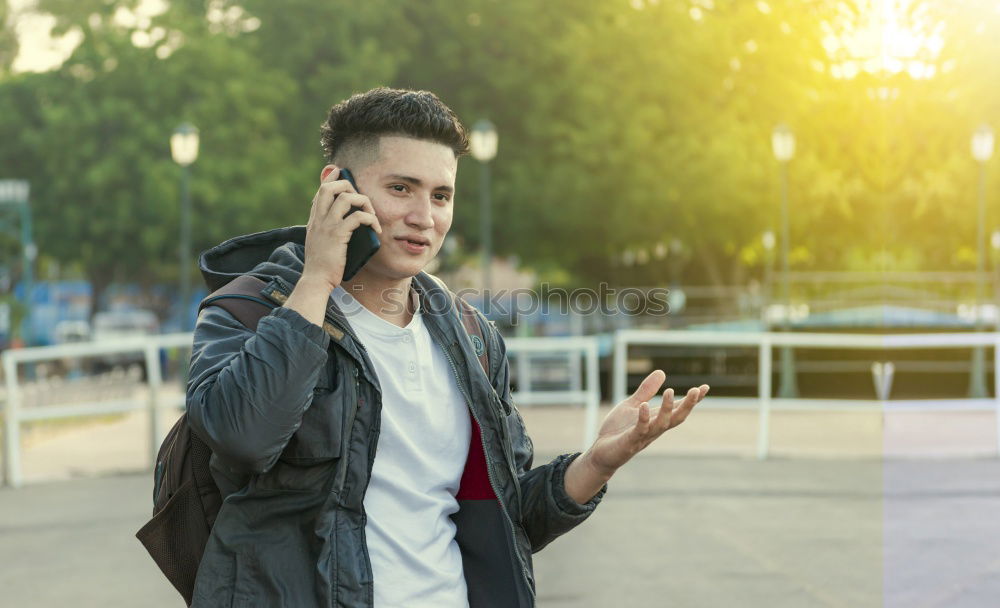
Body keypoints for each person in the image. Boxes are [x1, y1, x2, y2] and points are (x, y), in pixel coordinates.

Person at [185, 87, 709, 607]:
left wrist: (597, 463)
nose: (424, 217)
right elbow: (244, 437)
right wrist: (318, 276)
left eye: (441, 195)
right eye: (400, 188)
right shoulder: (249, 309)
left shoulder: (473, 337)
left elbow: (506, 519)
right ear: (335, 187)